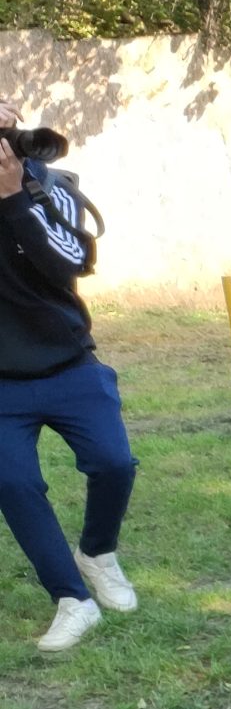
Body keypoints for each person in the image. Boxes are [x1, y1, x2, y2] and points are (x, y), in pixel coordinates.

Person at [0, 101, 137, 653]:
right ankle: (72, 599)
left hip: (68, 361)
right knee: (13, 484)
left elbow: (70, 262)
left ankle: (97, 552)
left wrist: (14, 197)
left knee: (114, 463)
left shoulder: (46, 186)